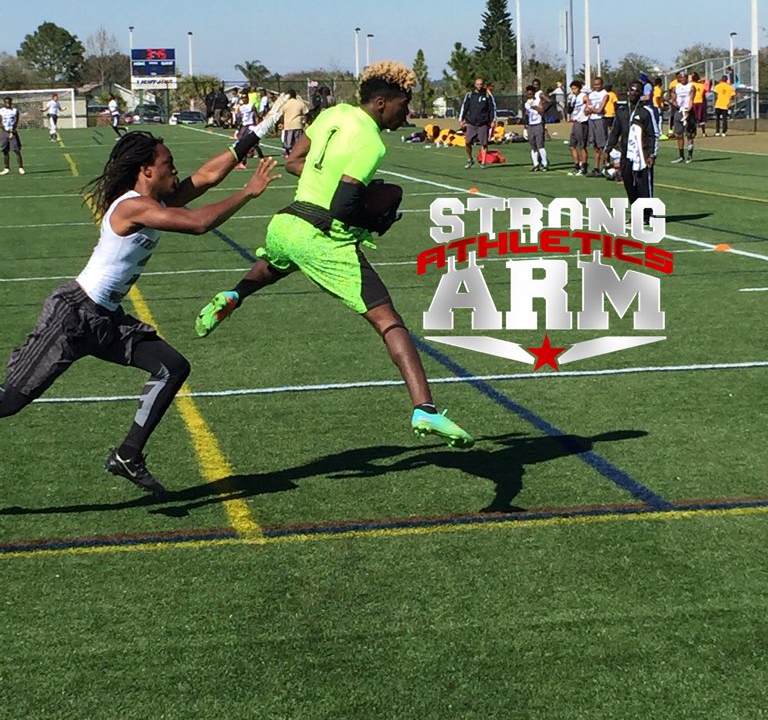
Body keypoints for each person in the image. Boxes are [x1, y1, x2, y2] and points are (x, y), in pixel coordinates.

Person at [194, 60, 473, 449]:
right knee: (388, 320)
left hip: (286, 223)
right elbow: (344, 206)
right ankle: (425, 406)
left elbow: (294, 160)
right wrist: (375, 221)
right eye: (402, 105)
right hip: (322, 237)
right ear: (380, 102)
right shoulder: (371, 142)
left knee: (280, 262)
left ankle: (234, 295)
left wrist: (327, 184)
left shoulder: (333, 113)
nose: (405, 113)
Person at [0, 131, 277, 493]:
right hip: (74, 315)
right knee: (10, 402)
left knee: (173, 367)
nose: (175, 170)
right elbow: (198, 224)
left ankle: (128, 455)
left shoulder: (157, 201)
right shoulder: (132, 207)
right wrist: (247, 192)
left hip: (107, 319)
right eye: (168, 164)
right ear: (147, 170)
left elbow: (206, 177)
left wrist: (247, 140)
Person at [604, 79, 658, 223]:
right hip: (626, 154)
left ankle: (647, 215)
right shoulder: (621, 112)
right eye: (631, 90)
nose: (633, 93)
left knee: (643, 185)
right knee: (629, 183)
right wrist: (607, 150)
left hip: (643, 154)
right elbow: (615, 132)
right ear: (628, 92)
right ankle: (636, 213)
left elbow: (654, 134)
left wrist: (652, 154)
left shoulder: (646, 112)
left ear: (641, 94)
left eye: (637, 91)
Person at [458, 77, 496, 169]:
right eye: (478, 84)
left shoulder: (487, 95)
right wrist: (461, 119)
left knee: (484, 143)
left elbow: (492, 109)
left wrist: (493, 121)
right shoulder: (470, 95)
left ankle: (483, 162)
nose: (479, 86)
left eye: (481, 84)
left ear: (483, 85)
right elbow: (465, 107)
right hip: (471, 122)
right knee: (467, 142)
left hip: (483, 123)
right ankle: (470, 159)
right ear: (475, 85)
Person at [669, 71, 696, 163]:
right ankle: (681, 156)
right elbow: (672, 98)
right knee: (678, 134)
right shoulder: (676, 87)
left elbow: (691, 98)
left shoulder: (691, 86)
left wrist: (688, 110)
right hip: (679, 111)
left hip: (688, 111)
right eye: (681, 77)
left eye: (684, 77)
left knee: (689, 134)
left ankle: (689, 156)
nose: (683, 79)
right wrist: (674, 103)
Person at [585, 76, 609, 175]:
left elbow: (600, 110)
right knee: (595, 146)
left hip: (600, 120)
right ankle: (596, 167)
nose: (596, 86)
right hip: (592, 120)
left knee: (603, 145)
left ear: (602, 84)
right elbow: (586, 110)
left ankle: (606, 166)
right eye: (595, 84)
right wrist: (589, 110)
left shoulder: (605, 94)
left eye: (598, 84)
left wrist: (591, 109)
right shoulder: (591, 94)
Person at [523, 84, 549, 171]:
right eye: (528, 94)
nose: (529, 96)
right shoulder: (527, 103)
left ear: (534, 93)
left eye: (531, 94)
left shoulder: (538, 101)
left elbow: (542, 111)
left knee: (540, 145)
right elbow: (527, 114)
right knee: (533, 146)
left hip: (538, 124)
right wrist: (525, 127)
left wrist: (534, 106)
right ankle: (535, 164)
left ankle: (545, 163)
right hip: (531, 125)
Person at [566, 80, 589, 176]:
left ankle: (584, 166)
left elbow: (588, 101)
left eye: (575, 88)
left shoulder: (582, 95)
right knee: (572, 145)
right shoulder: (573, 97)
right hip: (575, 122)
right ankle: (577, 165)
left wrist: (587, 110)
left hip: (581, 122)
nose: (573, 90)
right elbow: (569, 110)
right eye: (572, 89)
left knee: (582, 146)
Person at [0, 97, 25, 175]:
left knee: (16, 150)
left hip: (12, 132)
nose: (8, 104)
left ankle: (21, 167)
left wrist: (12, 130)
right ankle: (6, 168)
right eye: (6, 102)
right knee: (5, 150)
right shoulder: (1, 111)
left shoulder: (14, 111)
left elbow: (16, 121)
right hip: (4, 132)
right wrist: (4, 128)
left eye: (9, 102)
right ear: (4, 103)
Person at [280, 88, 308, 156]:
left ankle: (288, 154)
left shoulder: (285, 104)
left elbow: (281, 115)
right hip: (298, 125)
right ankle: (298, 155)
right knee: (298, 143)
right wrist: (305, 122)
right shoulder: (300, 103)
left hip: (288, 126)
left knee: (288, 144)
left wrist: (282, 123)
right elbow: (306, 113)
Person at [690, 71, 708, 137]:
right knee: (701, 118)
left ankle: (694, 133)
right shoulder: (701, 85)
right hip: (700, 102)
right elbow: (703, 95)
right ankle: (703, 132)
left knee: (694, 118)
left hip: (694, 102)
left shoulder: (691, 85)